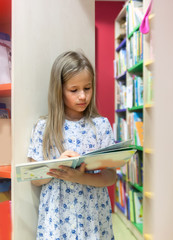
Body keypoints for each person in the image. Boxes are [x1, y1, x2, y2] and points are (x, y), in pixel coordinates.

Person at [27, 50, 117, 240]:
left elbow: (110, 177)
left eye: (88, 88)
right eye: (74, 90)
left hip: (92, 212)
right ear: (59, 90)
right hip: (57, 217)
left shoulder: (101, 125)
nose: (82, 96)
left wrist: (79, 177)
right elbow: (34, 178)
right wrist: (56, 165)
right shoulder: (44, 127)